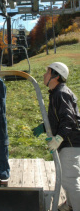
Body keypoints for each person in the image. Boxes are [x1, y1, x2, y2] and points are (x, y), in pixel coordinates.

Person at [32, 62, 80, 211]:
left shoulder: (61, 93)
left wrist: (58, 138)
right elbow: (58, 118)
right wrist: (45, 126)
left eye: (47, 72)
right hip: (67, 142)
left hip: (70, 143)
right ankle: (71, 204)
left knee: (70, 179)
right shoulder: (56, 93)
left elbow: (68, 119)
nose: (44, 75)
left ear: (56, 75)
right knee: (66, 178)